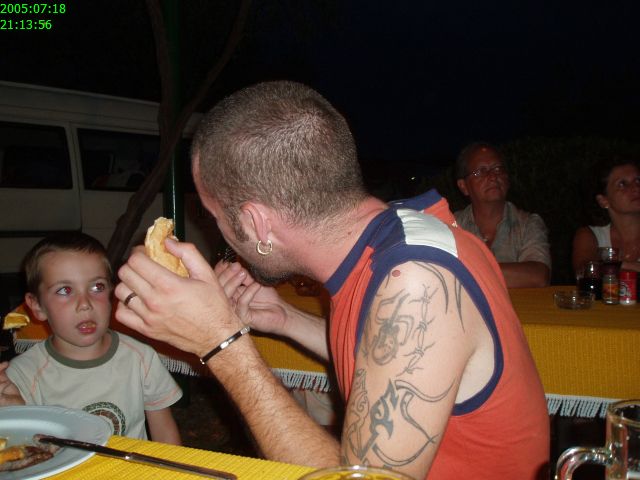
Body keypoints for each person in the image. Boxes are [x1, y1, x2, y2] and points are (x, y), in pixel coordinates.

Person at [114, 81, 549, 479]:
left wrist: (222, 345)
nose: (218, 233)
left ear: (257, 223)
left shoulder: (416, 281)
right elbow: (387, 356)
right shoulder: (393, 237)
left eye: (215, 217)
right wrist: (285, 318)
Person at [0, 232, 182, 444]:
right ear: (37, 306)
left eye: (97, 287)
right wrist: (16, 413)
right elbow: (24, 450)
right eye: (65, 290)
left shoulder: (141, 358)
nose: (85, 304)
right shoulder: (21, 376)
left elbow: (165, 435)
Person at [453, 142, 551, 288]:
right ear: (464, 186)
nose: (493, 176)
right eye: (481, 171)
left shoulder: (528, 224)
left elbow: (538, 277)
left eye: (498, 169)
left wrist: (466, 271)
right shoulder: (452, 226)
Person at [572, 156, 640, 273]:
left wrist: (608, 265)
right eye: (622, 184)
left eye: (638, 181)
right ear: (603, 200)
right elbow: (586, 270)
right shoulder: (591, 235)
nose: (636, 188)